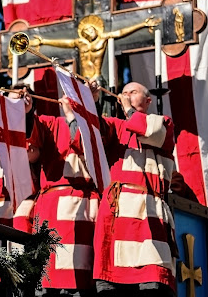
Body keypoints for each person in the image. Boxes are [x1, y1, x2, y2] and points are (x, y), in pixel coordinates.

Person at [13, 84, 101, 296]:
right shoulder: (48, 122)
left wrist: (79, 113)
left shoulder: (96, 125)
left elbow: (83, 146)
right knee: (48, 272)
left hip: (84, 203)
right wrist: (24, 111)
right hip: (51, 204)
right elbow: (28, 137)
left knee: (79, 273)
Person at [93, 82, 176, 297]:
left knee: (151, 278)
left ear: (148, 101)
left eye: (134, 92)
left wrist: (129, 110)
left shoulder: (163, 123)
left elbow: (147, 130)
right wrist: (92, 99)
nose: (127, 95)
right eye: (125, 92)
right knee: (112, 283)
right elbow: (92, 130)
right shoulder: (114, 125)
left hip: (148, 211)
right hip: (116, 213)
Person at [30, 15, 161, 80]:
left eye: (92, 29)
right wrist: (44, 41)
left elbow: (120, 32)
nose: (90, 31)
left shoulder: (103, 38)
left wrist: (142, 24)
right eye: (87, 30)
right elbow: (64, 42)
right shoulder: (80, 42)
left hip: (98, 78)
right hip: (82, 78)